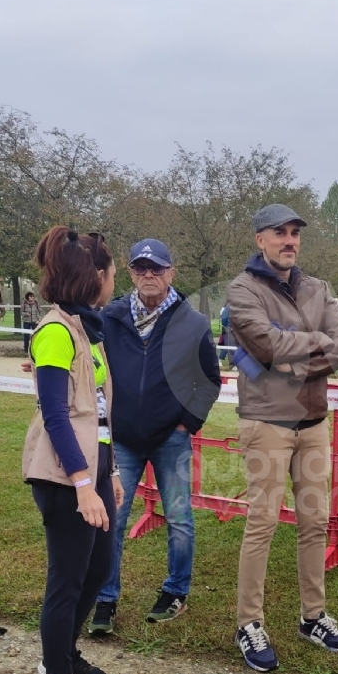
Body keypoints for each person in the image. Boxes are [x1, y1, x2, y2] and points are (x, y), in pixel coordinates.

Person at [226, 202, 338, 672]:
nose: (289, 240)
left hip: (313, 422)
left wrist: (292, 355)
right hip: (266, 422)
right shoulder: (242, 290)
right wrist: (311, 342)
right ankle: (248, 623)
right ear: (259, 239)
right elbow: (264, 345)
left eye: (295, 233)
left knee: (314, 522)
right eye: (279, 232)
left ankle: (313, 616)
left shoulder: (319, 288)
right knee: (262, 522)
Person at [88, 238, 221, 635]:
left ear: (171, 273)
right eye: (141, 269)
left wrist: (186, 424)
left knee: (179, 518)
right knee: (112, 518)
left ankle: (176, 591)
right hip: (122, 440)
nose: (149, 276)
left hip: (171, 440)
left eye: (157, 269)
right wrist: (43, 360)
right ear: (130, 273)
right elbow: (81, 355)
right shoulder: (108, 317)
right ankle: (106, 598)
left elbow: (208, 381)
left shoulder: (192, 322)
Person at [24, 227, 123, 674]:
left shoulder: (85, 328)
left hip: (95, 466)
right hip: (65, 475)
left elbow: (98, 410)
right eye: (111, 273)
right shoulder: (58, 332)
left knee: (98, 568)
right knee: (67, 577)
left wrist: (112, 472)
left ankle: (63, 651)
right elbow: (58, 416)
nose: (114, 281)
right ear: (94, 277)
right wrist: (84, 484)